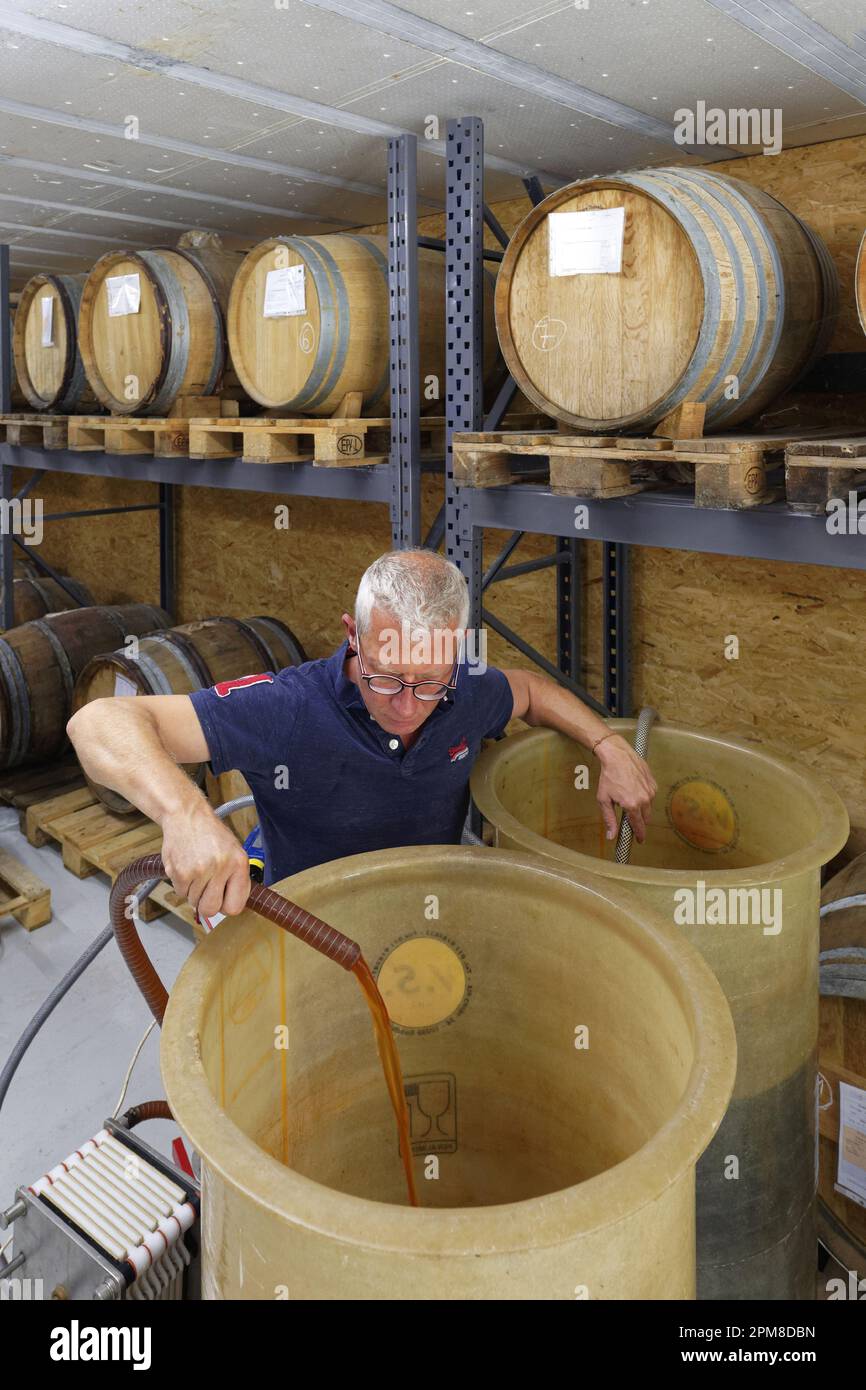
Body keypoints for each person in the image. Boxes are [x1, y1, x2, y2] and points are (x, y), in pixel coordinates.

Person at [68, 549, 656, 921]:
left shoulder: (466, 688)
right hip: (310, 926)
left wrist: (607, 746)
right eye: (385, 678)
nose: (406, 707)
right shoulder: (289, 707)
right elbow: (97, 722)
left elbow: (528, 690)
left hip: (427, 914)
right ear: (353, 634)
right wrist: (185, 816)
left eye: (429, 683)